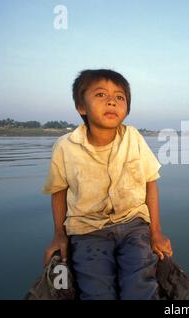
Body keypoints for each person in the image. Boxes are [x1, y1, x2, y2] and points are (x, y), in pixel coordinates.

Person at [41, 69, 172, 300]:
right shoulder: (65, 146)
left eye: (119, 97)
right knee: (96, 288)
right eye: (101, 95)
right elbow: (58, 191)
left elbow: (151, 181)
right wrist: (59, 234)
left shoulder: (134, 138)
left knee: (140, 283)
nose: (112, 100)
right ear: (82, 107)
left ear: (126, 110)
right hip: (87, 230)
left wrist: (156, 232)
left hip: (134, 225)